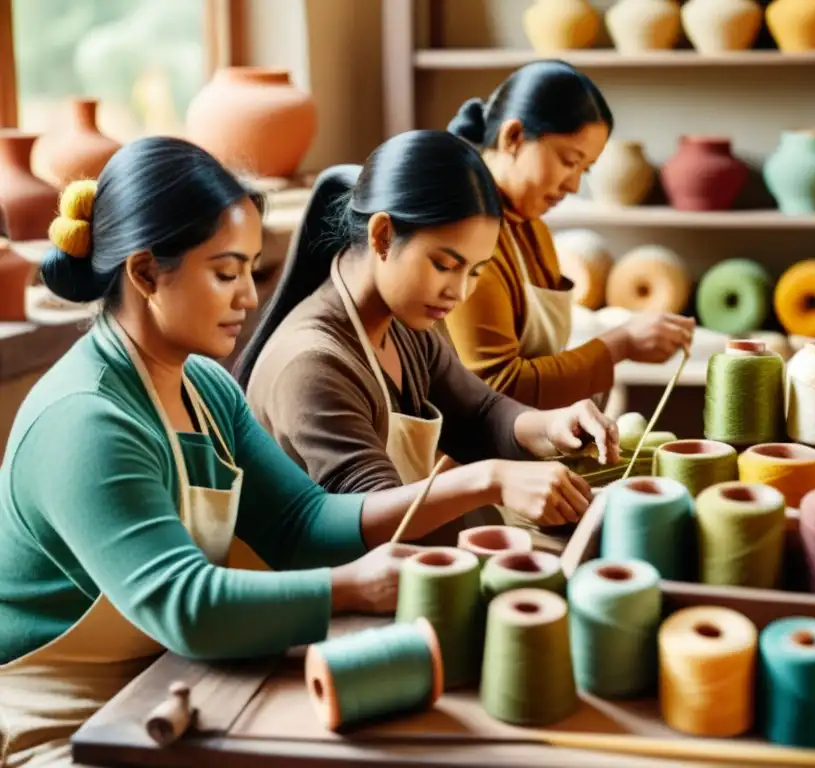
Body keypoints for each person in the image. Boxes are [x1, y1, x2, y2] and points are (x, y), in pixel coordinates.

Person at [0, 136, 475, 766]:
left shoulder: (206, 388)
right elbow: (188, 605)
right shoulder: (86, 421)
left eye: (250, 270)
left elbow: (301, 523)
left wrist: (479, 484)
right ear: (145, 273)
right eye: (226, 273)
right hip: (61, 721)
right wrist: (353, 589)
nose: (249, 298)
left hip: (168, 687)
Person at [235, 130, 619, 548]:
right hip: (330, 594)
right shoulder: (312, 365)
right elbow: (371, 515)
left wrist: (553, 425)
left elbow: (479, 415)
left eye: (474, 271)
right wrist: (492, 479)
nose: (461, 291)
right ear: (382, 236)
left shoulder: (400, 324)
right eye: (444, 265)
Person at [442, 59, 695, 410]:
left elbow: (539, 361)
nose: (574, 185)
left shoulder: (532, 228)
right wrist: (619, 345)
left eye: (585, 169)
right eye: (568, 160)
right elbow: (497, 386)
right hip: (461, 459)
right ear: (513, 137)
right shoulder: (462, 233)